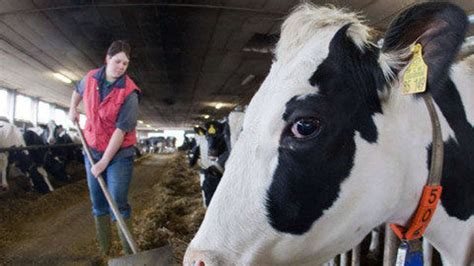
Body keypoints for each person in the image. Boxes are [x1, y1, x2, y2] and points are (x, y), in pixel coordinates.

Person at [68, 40, 140, 256]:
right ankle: (105, 251)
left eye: (125, 64)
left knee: (117, 201)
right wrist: (73, 108)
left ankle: (129, 254)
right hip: (92, 148)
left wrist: (103, 162)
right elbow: (77, 90)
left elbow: (121, 131)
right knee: (98, 201)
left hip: (119, 154)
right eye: (118, 61)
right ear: (107, 59)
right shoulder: (90, 78)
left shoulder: (130, 92)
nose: (121, 67)